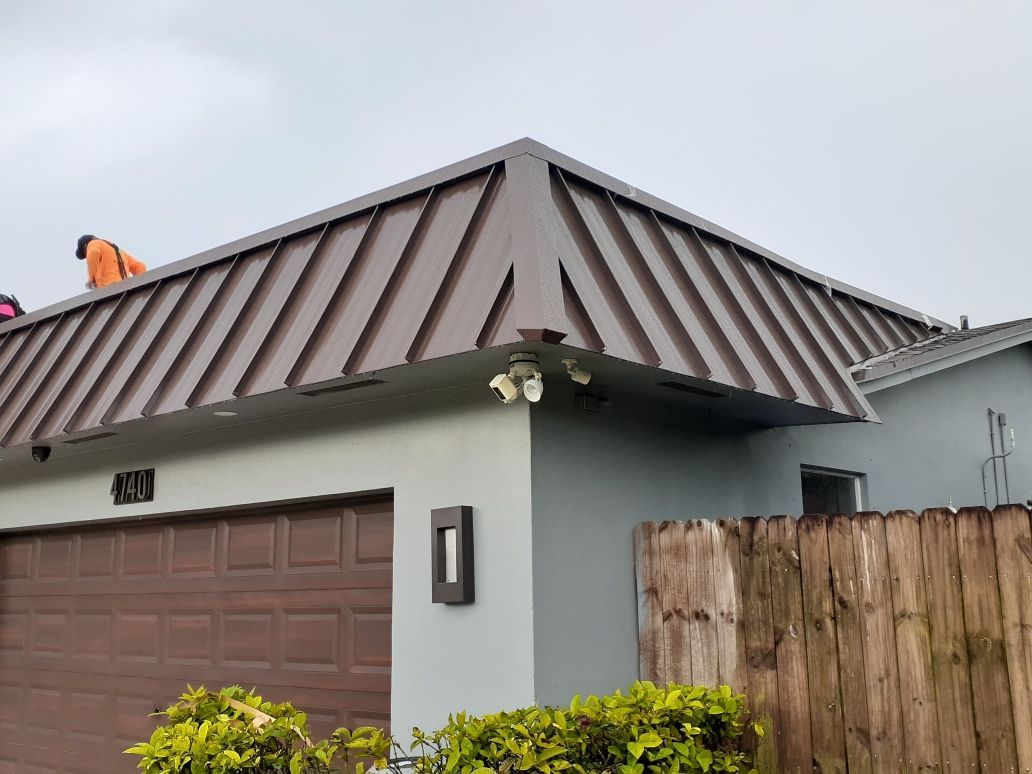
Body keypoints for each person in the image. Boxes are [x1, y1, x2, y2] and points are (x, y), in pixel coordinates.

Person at [76, 234, 146, 289]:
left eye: (85, 253)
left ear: (85, 245)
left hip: (109, 289)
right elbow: (140, 267)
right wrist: (137, 285)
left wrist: (91, 279)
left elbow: (93, 252)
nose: (87, 255)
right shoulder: (120, 252)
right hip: (125, 291)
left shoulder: (93, 243)